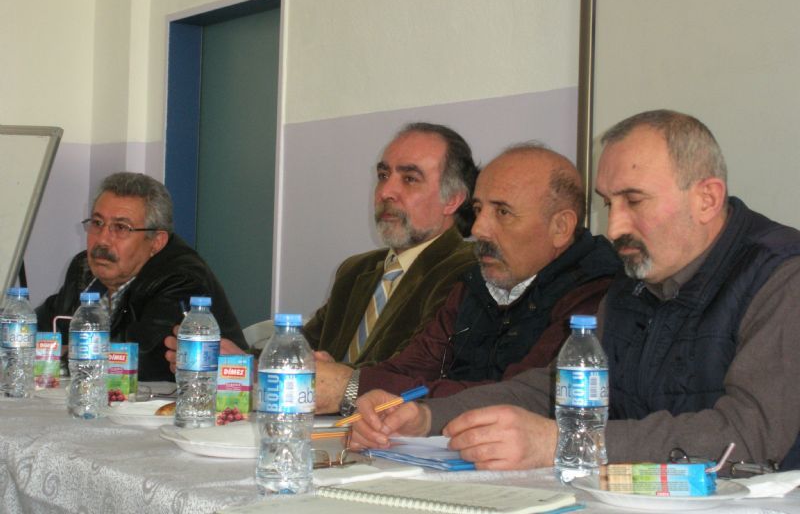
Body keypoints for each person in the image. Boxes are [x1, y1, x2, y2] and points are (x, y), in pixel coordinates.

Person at [350, 110, 800, 471]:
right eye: (608, 203)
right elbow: (557, 388)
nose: (614, 227)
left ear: (707, 198)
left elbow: (750, 435)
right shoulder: (633, 282)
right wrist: (429, 417)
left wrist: (565, 442)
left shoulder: (781, 276)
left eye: (633, 201)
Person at [314, 143, 620, 414]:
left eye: (502, 212)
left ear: (560, 227)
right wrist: (341, 378)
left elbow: (521, 397)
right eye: (478, 209)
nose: (477, 229)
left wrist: (351, 387)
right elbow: (411, 367)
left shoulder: (596, 294)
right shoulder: (475, 283)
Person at [165, 122, 478, 373]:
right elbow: (303, 348)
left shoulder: (467, 270)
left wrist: (326, 377)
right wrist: (234, 360)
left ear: (452, 199)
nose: (386, 191)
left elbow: (413, 370)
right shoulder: (356, 270)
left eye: (409, 179)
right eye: (383, 175)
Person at [37, 172, 247, 382]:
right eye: (98, 223)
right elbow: (36, 328)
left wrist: (62, 354)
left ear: (156, 241)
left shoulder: (182, 278)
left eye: (121, 227)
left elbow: (140, 360)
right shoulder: (85, 267)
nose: (102, 240)